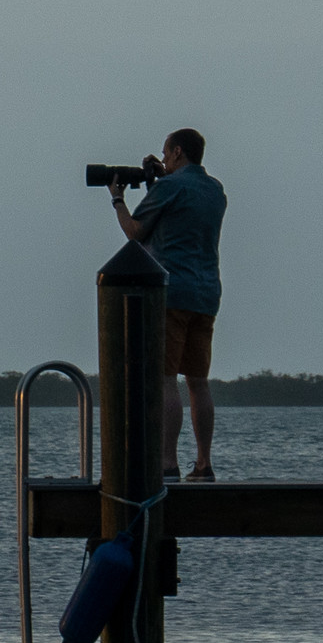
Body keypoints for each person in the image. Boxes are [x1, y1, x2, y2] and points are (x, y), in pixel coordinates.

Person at [111, 127, 226, 480]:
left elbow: (135, 232)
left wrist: (117, 199)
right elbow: (179, 217)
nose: (162, 159)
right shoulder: (215, 190)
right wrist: (160, 180)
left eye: (165, 153)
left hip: (171, 293)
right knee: (198, 382)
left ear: (177, 152)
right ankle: (204, 464)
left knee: (165, 380)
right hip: (206, 294)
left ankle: (167, 463)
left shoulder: (169, 188)